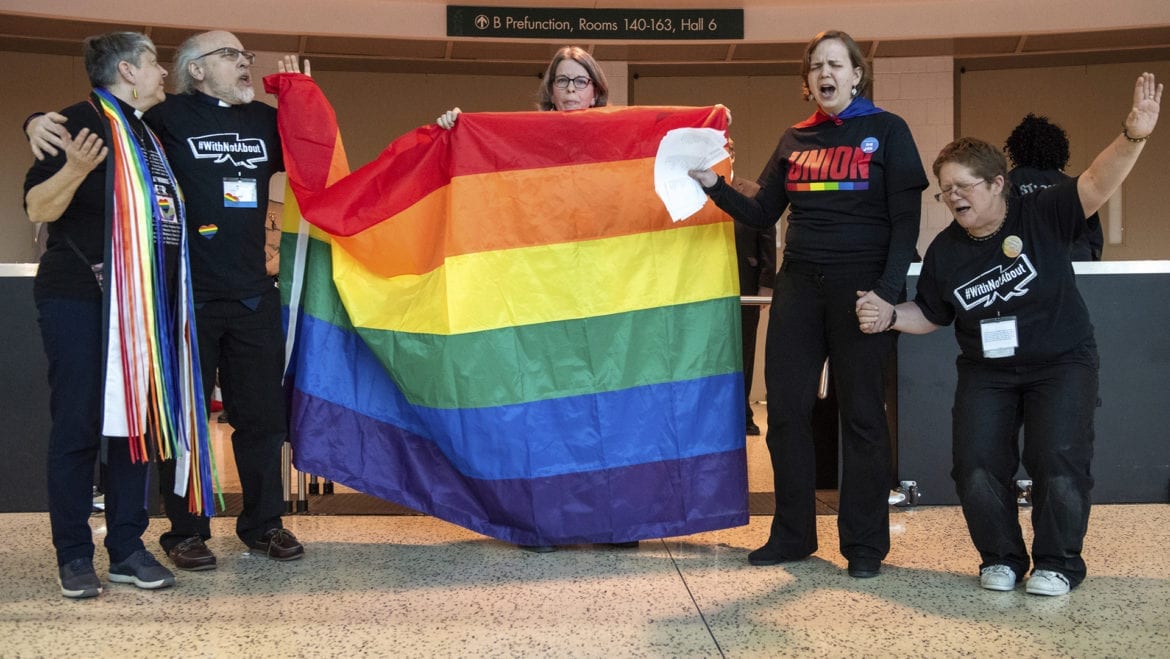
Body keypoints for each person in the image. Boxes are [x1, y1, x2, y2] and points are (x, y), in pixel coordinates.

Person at [858, 73, 1161, 596]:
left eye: (964, 186)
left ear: (998, 183)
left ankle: (1058, 563)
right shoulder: (946, 251)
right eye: (945, 189)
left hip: (1061, 362)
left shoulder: (1042, 212)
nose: (953, 196)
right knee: (975, 465)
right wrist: (887, 315)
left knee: (1057, 460)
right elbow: (931, 313)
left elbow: (1096, 182)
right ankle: (999, 557)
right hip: (987, 371)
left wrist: (1134, 134)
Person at [28, 31, 306, 569]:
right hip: (180, 302)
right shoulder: (163, 118)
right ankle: (184, 531)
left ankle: (264, 524)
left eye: (246, 55)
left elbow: (318, 155)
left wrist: (307, 102)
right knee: (180, 421)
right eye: (231, 55)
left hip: (253, 296)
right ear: (196, 69)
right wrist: (35, 120)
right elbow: (98, 118)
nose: (245, 63)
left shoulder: (262, 121)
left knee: (262, 420)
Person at [688, 29, 927, 578]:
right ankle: (793, 534)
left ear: (856, 74)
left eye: (836, 64)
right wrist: (713, 186)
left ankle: (864, 545)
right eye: (816, 66)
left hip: (863, 289)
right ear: (807, 81)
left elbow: (906, 223)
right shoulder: (794, 138)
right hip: (798, 286)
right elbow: (762, 212)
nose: (825, 74)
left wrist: (887, 294)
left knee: (862, 417)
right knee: (786, 414)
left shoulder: (888, 130)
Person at [439, 47, 639, 554]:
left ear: (597, 89)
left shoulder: (620, 135)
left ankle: (618, 520)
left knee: (608, 407)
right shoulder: (522, 138)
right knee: (546, 411)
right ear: (549, 90)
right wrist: (456, 130)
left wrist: (707, 128)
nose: (571, 90)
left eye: (580, 81)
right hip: (541, 293)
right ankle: (543, 521)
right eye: (562, 81)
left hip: (604, 293)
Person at [25, 31, 187, 597]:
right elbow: (37, 206)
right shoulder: (73, 124)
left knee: (132, 429)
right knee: (77, 426)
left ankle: (126, 548)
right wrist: (72, 166)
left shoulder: (151, 133)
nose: (163, 72)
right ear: (127, 71)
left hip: (141, 306)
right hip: (79, 297)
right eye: (154, 63)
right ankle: (73, 554)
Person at [727, 138, 776, 437]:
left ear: (732, 154)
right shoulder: (693, 192)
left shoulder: (751, 191)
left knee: (744, 349)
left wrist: (766, 284)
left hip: (745, 281)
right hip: (705, 287)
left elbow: (766, 236)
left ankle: (743, 414)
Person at [1005, 113, 1104, 261]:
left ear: (1017, 149)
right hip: (1074, 261)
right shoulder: (1074, 186)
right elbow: (1094, 236)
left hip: (1026, 265)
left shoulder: (1006, 183)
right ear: (1060, 150)